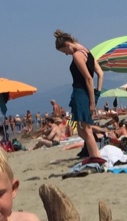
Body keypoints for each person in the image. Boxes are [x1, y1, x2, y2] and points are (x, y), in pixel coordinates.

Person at [54, 29, 105, 163]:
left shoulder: (77, 55)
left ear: (67, 44)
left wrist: (93, 102)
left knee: (86, 130)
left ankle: (97, 158)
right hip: (85, 93)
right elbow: (100, 74)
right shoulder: (87, 51)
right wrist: (97, 93)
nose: (66, 54)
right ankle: (94, 156)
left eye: (64, 51)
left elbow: (89, 78)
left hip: (81, 93)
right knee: (82, 131)